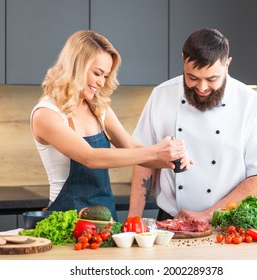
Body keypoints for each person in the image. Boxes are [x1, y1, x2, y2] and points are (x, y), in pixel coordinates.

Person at [30, 30, 190, 222]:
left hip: (106, 221)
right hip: (67, 220)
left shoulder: (98, 108)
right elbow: (91, 157)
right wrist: (156, 152)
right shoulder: (46, 114)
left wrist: (171, 158)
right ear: (76, 67)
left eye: (105, 75)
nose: (101, 82)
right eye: (97, 73)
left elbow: (132, 148)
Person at [128, 28, 257, 222]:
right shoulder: (162, 95)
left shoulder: (252, 104)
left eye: (212, 79)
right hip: (170, 221)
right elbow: (144, 160)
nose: (201, 88)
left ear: (227, 64)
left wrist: (209, 214)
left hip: (228, 223)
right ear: (184, 58)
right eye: (192, 77)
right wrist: (133, 219)